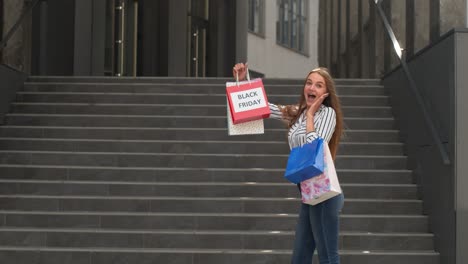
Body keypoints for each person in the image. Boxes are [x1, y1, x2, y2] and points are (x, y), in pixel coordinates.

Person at [232, 63, 345, 264]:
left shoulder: (328, 114)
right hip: (308, 192)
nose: (312, 88)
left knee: (328, 257)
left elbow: (315, 146)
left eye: (319, 85)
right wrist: (242, 82)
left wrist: (310, 116)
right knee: (300, 256)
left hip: (324, 195)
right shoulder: (298, 112)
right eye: (309, 83)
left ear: (326, 93)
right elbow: (267, 108)